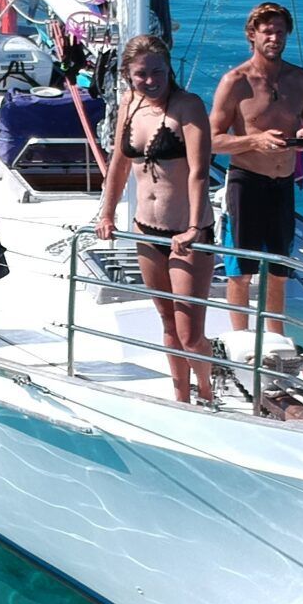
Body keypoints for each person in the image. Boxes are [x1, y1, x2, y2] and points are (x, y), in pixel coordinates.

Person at [94, 34, 216, 406]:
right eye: (141, 74)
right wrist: (107, 211)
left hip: (186, 233)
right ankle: (181, 395)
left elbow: (198, 171)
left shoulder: (188, 107)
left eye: (157, 72)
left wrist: (194, 227)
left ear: (169, 69)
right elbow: (119, 162)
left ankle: (208, 389)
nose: (150, 80)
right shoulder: (129, 104)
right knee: (166, 322)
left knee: (190, 332)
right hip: (146, 230)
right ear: (128, 76)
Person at [209, 2, 303, 349]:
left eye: (280, 31)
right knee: (240, 267)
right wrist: (254, 140)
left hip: (283, 183)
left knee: (279, 267)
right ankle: (240, 339)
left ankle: (275, 337)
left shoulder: (300, 80)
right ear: (252, 35)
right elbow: (212, 139)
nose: (274, 37)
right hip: (246, 182)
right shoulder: (236, 82)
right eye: (267, 31)